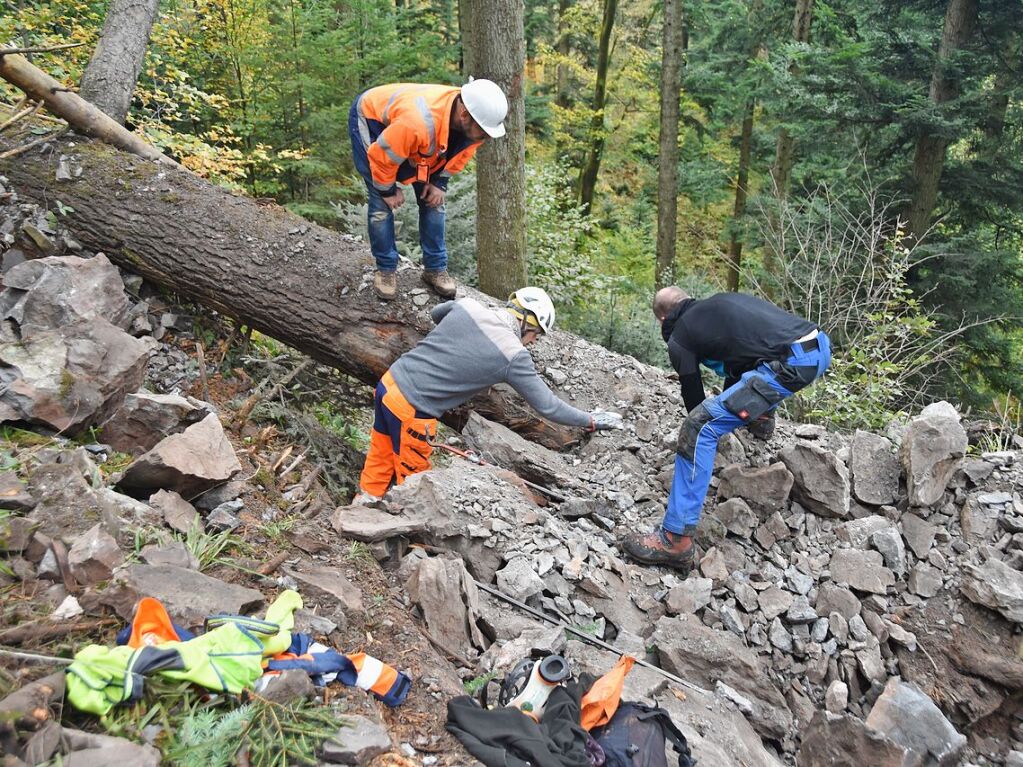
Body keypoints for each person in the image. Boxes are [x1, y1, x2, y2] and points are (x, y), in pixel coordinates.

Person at [621, 286, 832, 573]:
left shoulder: (680, 335)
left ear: (662, 319)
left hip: (791, 365)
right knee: (743, 374)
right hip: (818, 346)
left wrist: (705, 427)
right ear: (686, 298)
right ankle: (759, 418)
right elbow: (741, 357)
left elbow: (693, 397)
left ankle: (675, 539)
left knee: (698, 428)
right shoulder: (720, 304)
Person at [354, 287, 623, 502]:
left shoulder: (469, 306)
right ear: (527, 323)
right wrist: (590, 420)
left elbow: (438, 313)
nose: (533, 341)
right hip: (412, 410)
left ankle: (365, 504)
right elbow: (548, 406)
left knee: (381, 451)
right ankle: (402, 543)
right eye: (536, 335)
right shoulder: (513, 355)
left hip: (389, 383)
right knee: (415, 485)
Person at [349, 79, 508, 301]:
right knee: (380, 205)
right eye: (484, 133)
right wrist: (387, 190)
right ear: (464, 116)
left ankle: (435, 268)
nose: (487, 138)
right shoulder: (416, 124)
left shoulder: (477, 122)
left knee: (434, 202)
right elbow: (382, 157)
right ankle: (385, 269)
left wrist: (439, 183)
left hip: (418, 143)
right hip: (372, 121)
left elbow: (461, 154)